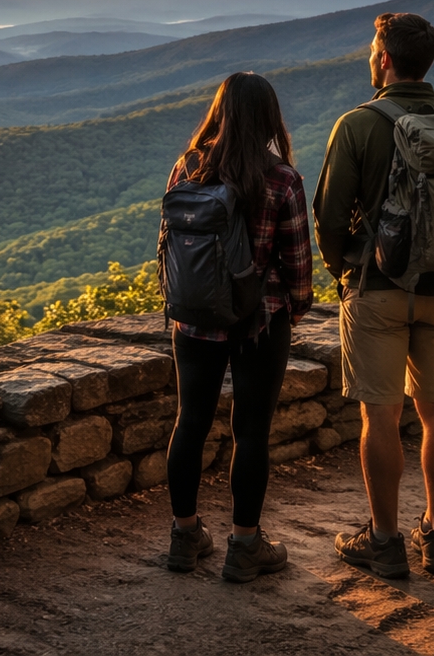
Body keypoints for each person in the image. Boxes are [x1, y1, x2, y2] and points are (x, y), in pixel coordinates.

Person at [313, 12, 434, 578]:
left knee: (380, 417)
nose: (371, 56)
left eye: (373, 49)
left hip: (378, 289)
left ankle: (387, 541)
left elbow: (328, 213)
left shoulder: (358, 124)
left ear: (385, 59)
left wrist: (343, 269)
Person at [162, 72, 313, 583]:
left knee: (191, 422)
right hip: (259, 321)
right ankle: (245, 545)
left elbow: (168, 243)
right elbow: (297, 263)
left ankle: (184, 536)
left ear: (220, 111)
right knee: (251, 432)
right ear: (270, 116)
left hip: (194, 318)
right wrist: (295, 306)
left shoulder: (188, 166)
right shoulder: (282, 179)